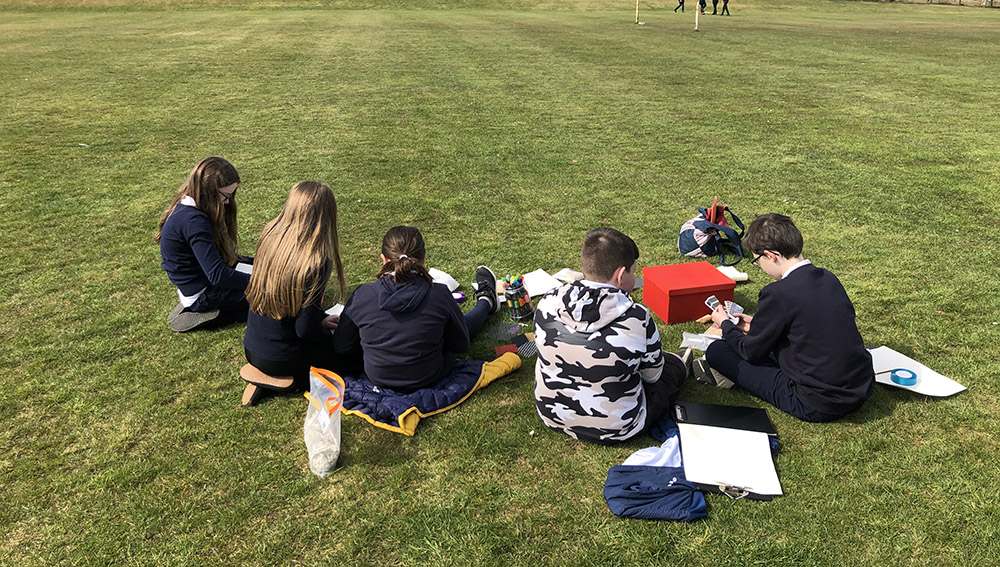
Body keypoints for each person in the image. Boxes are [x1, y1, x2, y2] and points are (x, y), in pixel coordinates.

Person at [705, 213, 875, 422]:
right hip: (860, 386)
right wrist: (757, 325)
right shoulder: (828, 277)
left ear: (771, 255)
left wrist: (725, 325)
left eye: (757, 261)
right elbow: (810, 324)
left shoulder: (777, 293)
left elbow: (750, 352)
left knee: (717, 350)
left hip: (817, 401)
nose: (759, 267)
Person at [533, 228, 688, 444]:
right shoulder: (637, 317)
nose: (635, 278)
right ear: (620, 274)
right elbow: (652, 377)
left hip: (552, 415)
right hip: (620, 428)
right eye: (634, 272)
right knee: (672, 367)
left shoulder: (547, 301)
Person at [333, 226, 501, 392]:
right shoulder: (439, 293)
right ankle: (486, 301)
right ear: (424, 259)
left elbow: (342, 346)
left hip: (378, 377)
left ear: (383, 259)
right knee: (460, 324)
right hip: (429, 375)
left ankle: (487, 301)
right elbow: (461, 343)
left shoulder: (362, 295)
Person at [241, 181, 347, 405]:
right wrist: (326, 334)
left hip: (251, 348)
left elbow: (296, 303)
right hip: (283, 357)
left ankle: (265, 376)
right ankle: (289, 380)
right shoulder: (316, 260)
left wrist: (320, 318)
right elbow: (304, 328)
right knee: (346, 351)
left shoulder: (270, 235)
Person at [157, 156, 251, 332]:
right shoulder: (194, 221)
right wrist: (263, 282)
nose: (228, 202)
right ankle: (215, 315)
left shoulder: (188, 205)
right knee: (277, 297)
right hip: (205, 293)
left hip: (200, 283)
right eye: (226, 196)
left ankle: (203, 308)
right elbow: (218, 275)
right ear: (210, 191)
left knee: (254, 266)